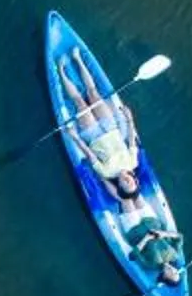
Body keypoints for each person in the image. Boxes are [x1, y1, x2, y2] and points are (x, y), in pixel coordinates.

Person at [56, 57, 142, 196]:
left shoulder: (106, 173)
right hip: (111, 127)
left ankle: (61, 71)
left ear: (120, 186)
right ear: (135, 180)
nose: (128, 182)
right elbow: (132, 139)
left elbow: (88, 153)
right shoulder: (133, 162)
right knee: (93, 93)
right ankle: (78, 59)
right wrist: (129, 118)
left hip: (93, 135)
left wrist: (75, 137)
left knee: (80, 102)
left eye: (126, 186)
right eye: (132, 184)